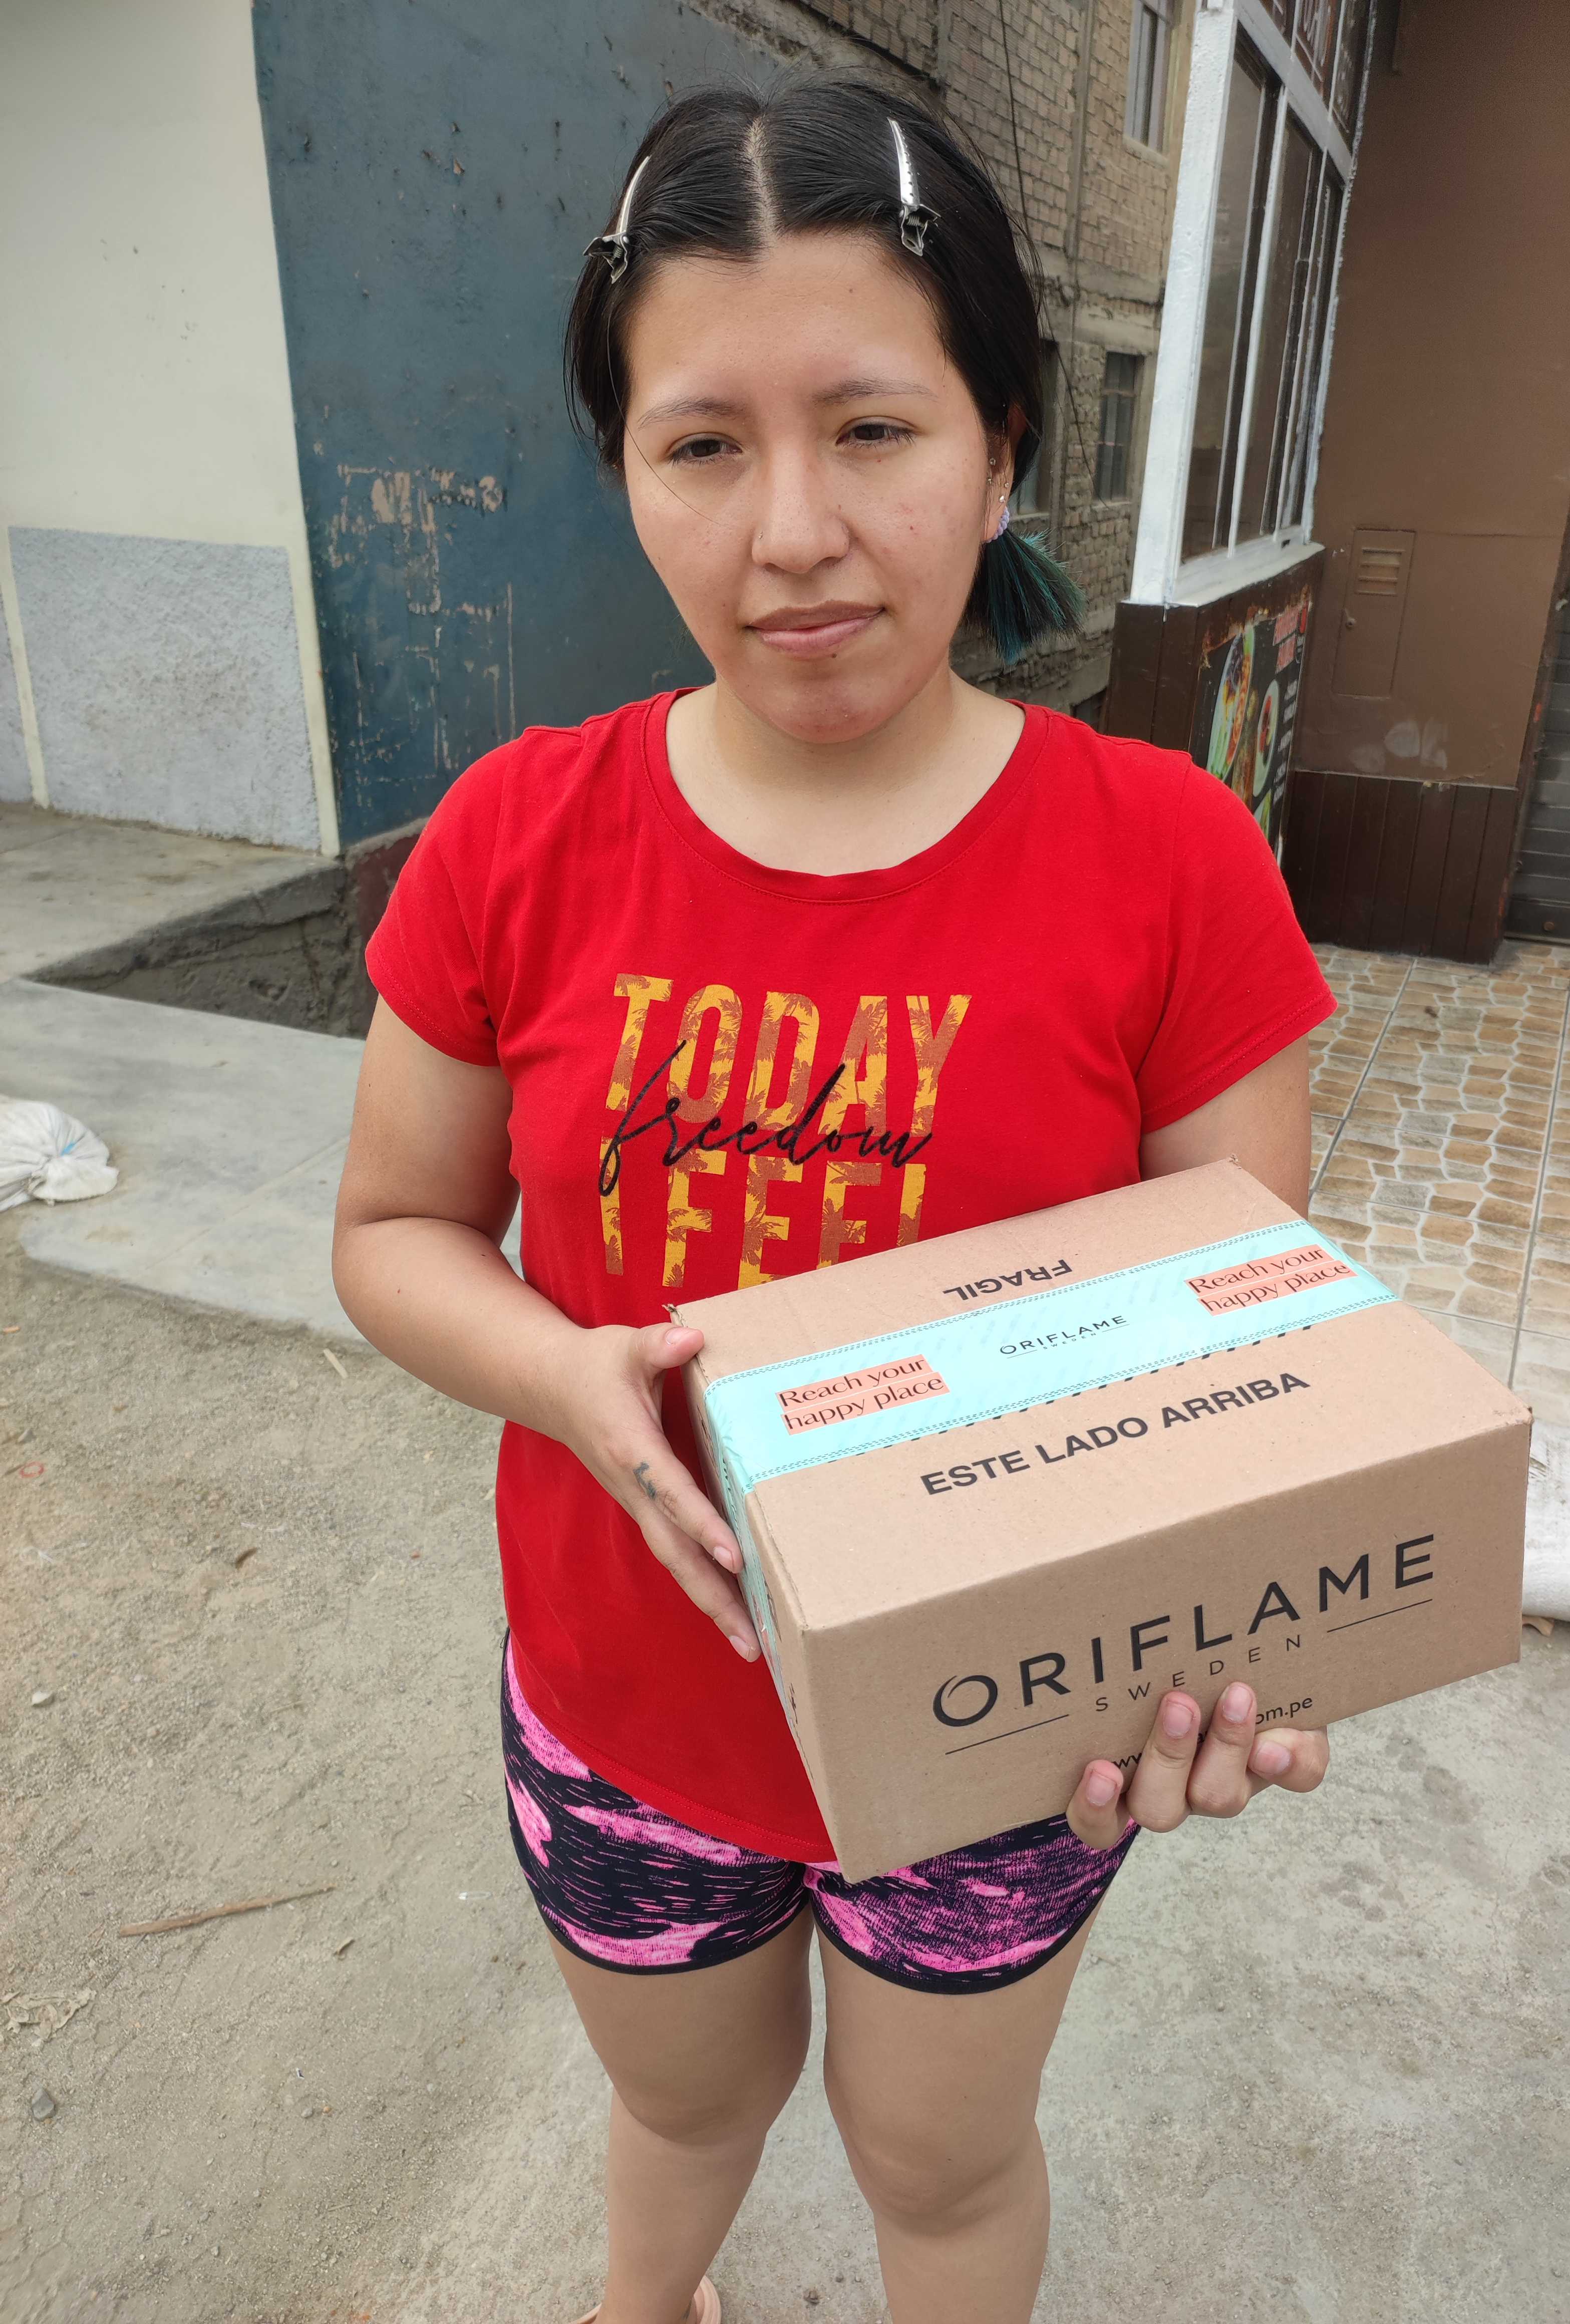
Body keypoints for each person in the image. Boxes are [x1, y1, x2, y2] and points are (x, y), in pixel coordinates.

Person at [333, 77, 1337, 2324]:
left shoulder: (1170, 860)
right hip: (628, 1706)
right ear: (627, 472)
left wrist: (1214, 1645)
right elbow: (395, 1232)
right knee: (684, 2109)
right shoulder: (517, 836)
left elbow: (1239, 1362)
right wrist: (564, 1372)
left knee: (937, 2166)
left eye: (873, 429)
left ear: (1002, 442)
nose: (791, 531)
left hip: (1006, 1742)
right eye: (702, 444)